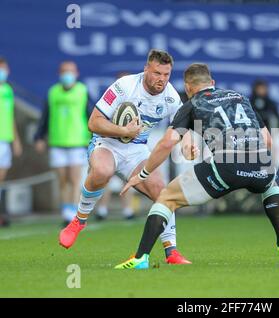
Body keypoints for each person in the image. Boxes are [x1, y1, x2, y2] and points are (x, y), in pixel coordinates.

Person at [114, 63, 279, 269]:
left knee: (166, 198)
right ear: (212, 83)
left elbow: (167, 143)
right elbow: (267, 140)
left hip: (226, 166)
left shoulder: (192, 104)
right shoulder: (239, 97)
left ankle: (141, 258)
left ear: (188, 87)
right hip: (262, 163)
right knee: (271, 185)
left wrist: (143, 173)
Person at [58, 49, 191, 265]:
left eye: (166, 75)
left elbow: (183, 126)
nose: (162, 79)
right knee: (102, 171)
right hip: (107, 143)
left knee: (162, 192)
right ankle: (78, 221)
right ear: (146, 68)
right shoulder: (124, 86)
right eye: (157, 73)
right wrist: (124, 131)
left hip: (137, 151)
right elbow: (93, 122)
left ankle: (172, 252)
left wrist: (187, 142)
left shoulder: (171, 98)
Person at [34, 61, 90, 225]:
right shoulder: (53, 92)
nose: (67, 75)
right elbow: (45, 116)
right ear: (60, 74)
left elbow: (90, 115)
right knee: (62, 180)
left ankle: (73, 213)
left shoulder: (82, 91)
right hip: (57, 141)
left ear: (76, 73)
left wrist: (95, 136)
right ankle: (66, 212)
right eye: (65, 71)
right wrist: (39, 137)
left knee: (74, 178)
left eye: (70, 71)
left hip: (77, 141)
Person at [95, 72, 135, 221]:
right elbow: (99, 121)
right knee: (105, 177)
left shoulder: (135, 102)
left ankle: (128, 210)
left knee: (128, 179)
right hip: (110, 144)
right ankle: (102, 210)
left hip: (129, 146)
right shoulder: (109, 101)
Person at [0, 57, 23, 227]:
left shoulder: (7, 89)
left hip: (5, 139)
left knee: (2, 179)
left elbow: (10, 116)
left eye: (4, 68)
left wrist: (16, 140)